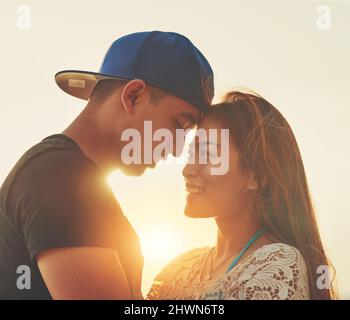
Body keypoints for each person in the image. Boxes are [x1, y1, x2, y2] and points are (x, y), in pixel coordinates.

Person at [0, 31, 214, 299]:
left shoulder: (74, 177)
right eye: (180, 125)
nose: (176, 148)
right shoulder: (61, 177)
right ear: (133, 95)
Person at [147, 90, 336, 300]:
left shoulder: (276, 263)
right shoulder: (180, 268)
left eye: (207, 154)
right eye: (192, 154)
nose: (188, 170)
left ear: (257, 176)